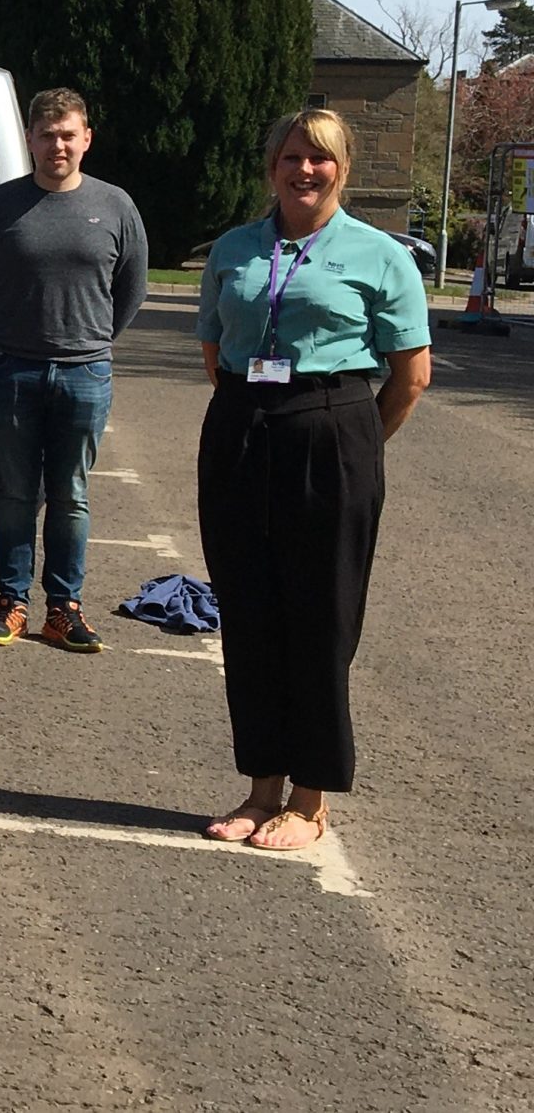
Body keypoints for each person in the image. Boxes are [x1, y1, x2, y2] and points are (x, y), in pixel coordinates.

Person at [195, 108, 429, 851]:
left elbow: (411, 375)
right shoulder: (234, 248)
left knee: (320, 617)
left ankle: (310, 795)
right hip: (241, 429)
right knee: (251, 611)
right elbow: (217, 351)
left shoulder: (380, 255)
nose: (305, 170)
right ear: (272, 165)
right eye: (292, 156)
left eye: (320, 159)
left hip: (331, 432)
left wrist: (349, 444)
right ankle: (261, 785)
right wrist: (252, 418)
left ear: (343, 167)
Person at [0, 88, 150, 652]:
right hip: (12, 369)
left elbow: (132, 289)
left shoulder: (116, 206)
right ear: (30, 140)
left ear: (86, 138)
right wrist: (12, 333)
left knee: (71, 495)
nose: (57, 145)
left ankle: (63, 609)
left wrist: (90, 339)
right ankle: (10, 604)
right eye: (46, 134)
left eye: (68, 134)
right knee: (16, 492)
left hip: (85, 373)